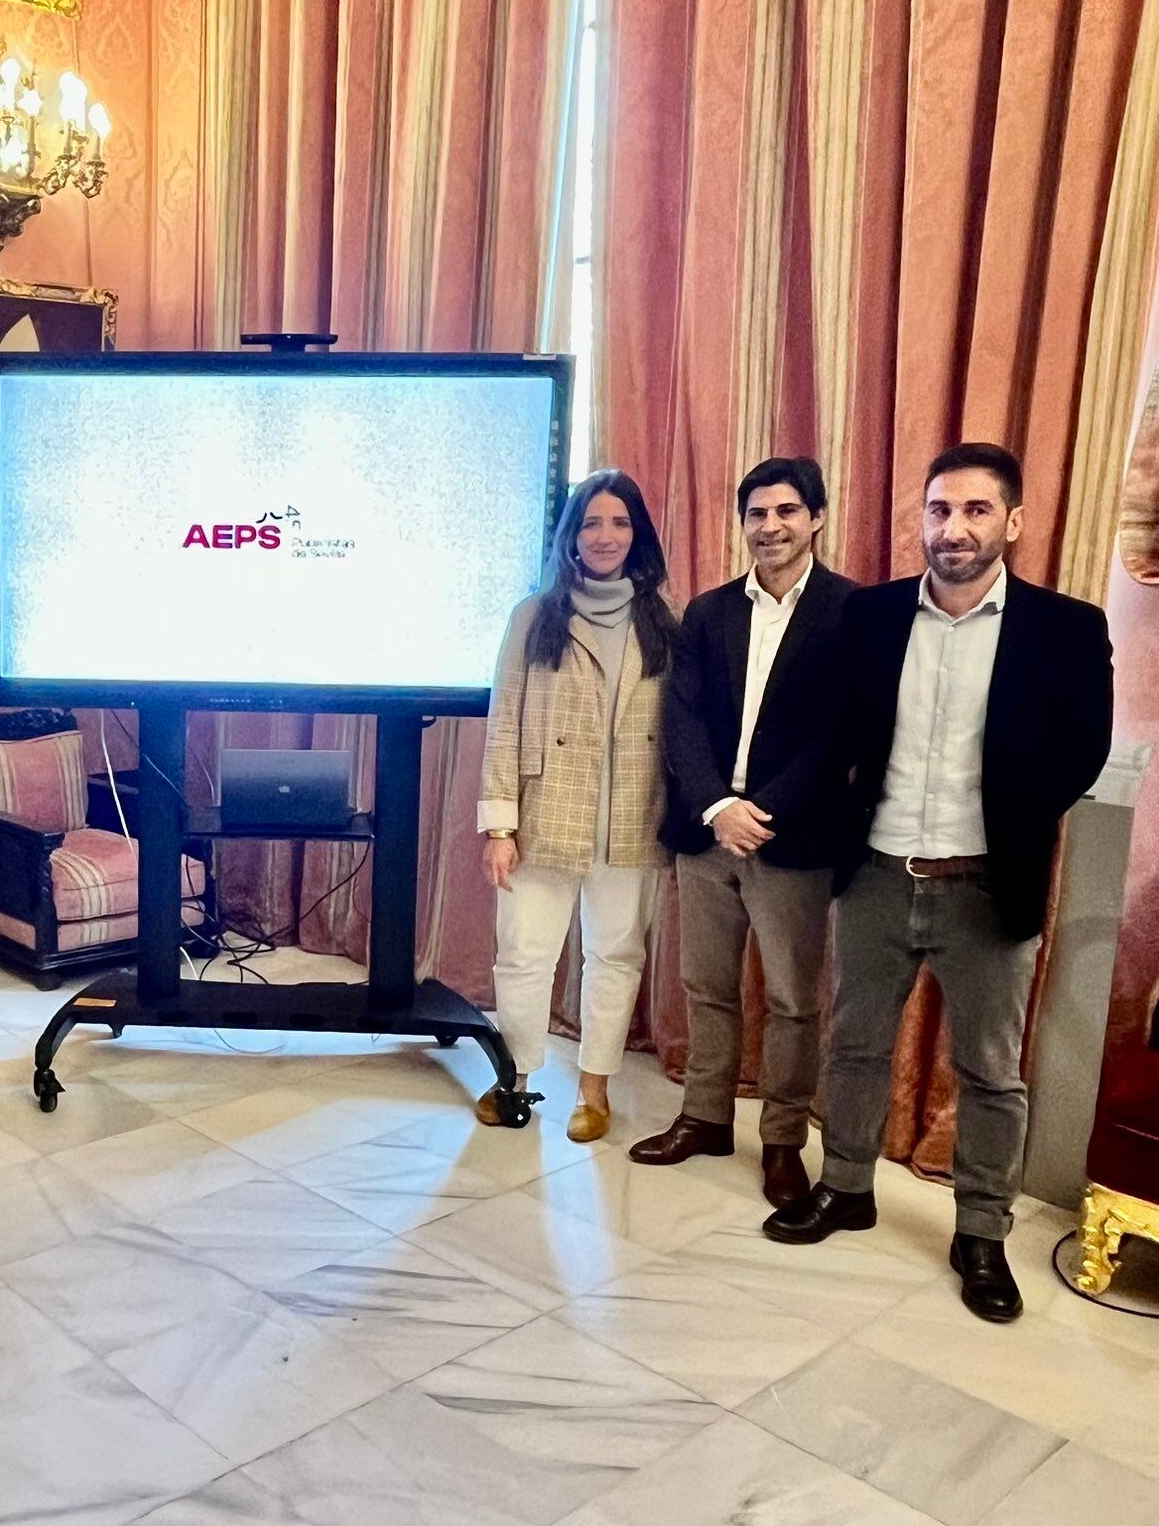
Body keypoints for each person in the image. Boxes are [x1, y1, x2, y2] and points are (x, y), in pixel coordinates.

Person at [763, 442, 1113, 1323]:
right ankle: (846, 1187)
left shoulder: (1067, 628)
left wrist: (1009, 819)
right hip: (877, 872)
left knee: (990, 1072)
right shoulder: (873, 616)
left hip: (986, 884)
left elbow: (1084, 751)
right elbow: (835, 732)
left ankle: (982, 1233)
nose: (954, 529)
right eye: (940, 510)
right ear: (922, 519)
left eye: (976, 510)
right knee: (855, 1046)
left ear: (1014, 522)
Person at [630, 457, 856, 1206]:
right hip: (707, 835)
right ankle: (704, 1116)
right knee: (706, 986)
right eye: (757, 514)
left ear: (816, 518)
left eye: (787, 511)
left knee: (792, 999)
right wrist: (715, 807)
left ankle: (783, 1139)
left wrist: (761, 811)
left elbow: (838, 733)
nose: (770, 526)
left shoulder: (850, 611)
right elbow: (682, 717)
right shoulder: (709, 611)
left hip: (793, 840)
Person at [477, 469, 679, 1141]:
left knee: (616, 957)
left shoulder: (664, 620)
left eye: (620, 522)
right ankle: (515, 1077)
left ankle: (594, 1091)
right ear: (571, 535)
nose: (605, 536)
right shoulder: (534, 615)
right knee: (523, 956)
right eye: (591, 522)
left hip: (631, 819)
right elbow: (504, 719)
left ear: (637, 535)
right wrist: (499, 826)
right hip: (545, 816)